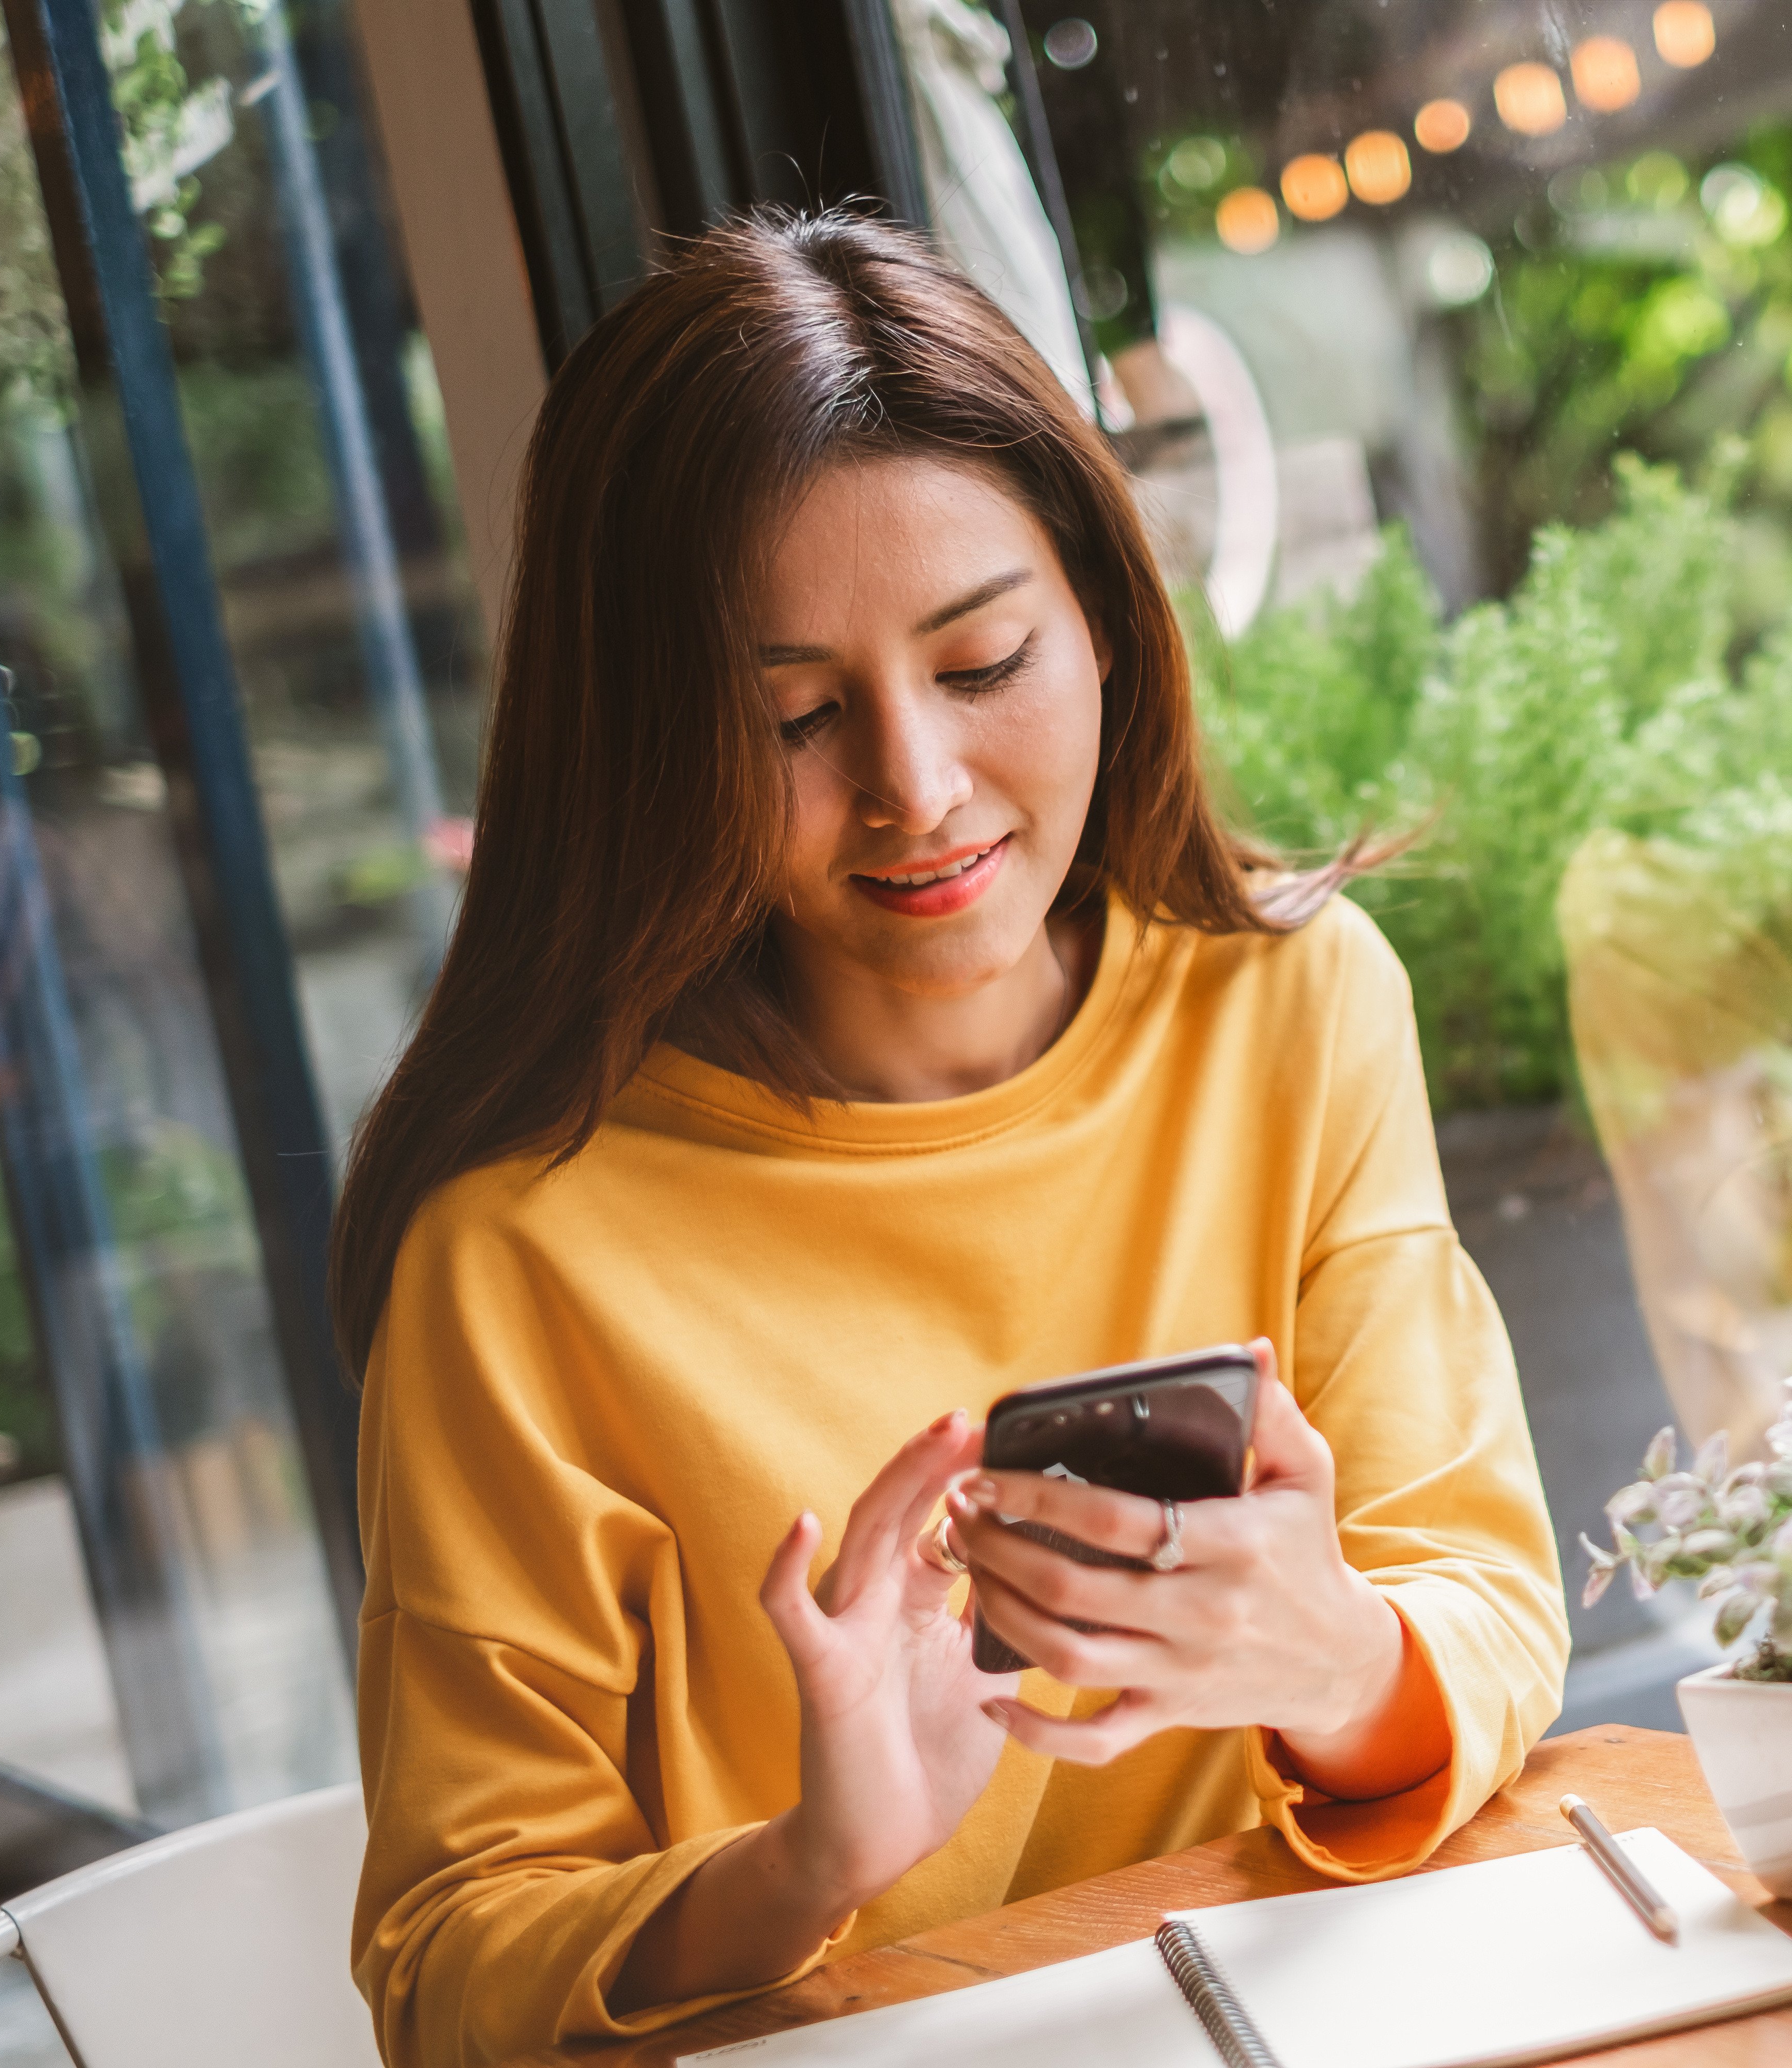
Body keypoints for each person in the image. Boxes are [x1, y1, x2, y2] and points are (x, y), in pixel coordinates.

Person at [334, 211, 1566, 2068]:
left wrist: (1328, 1659)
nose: (915, 788)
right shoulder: (523, 1252)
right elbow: (448, 1960)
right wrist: (807, 1860)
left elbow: (1475, 1594)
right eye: (798, 719)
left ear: (1101, 619)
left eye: (983, 663)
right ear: (649, 745)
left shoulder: (1291, 1012)